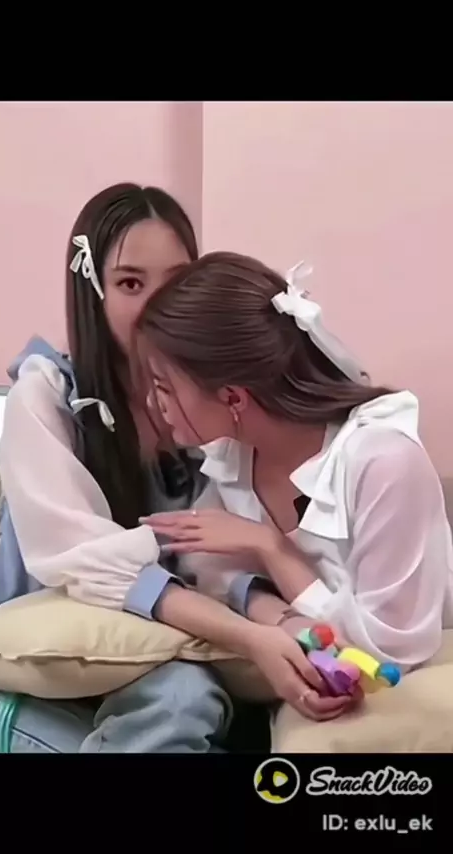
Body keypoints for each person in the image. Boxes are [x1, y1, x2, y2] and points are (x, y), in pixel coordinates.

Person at [0, 186, 310, 754]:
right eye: (131, 283)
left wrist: (280, 620)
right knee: (181, 696)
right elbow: (84, 559)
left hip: (168, 676)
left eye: (176, 281)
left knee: (199, 700)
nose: (157, 304)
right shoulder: (46, 395)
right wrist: (250, 636)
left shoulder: (209, 407)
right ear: (93, 292)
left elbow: (214, 556)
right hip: (36, 688)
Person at [134, 251, 453, 716]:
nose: (153, 402)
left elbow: (390, 651)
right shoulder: (234, 460)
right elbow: (206, 572)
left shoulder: (383, 463)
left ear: (233, 397)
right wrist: (279, 618)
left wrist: (272, 549)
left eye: (165, 386)